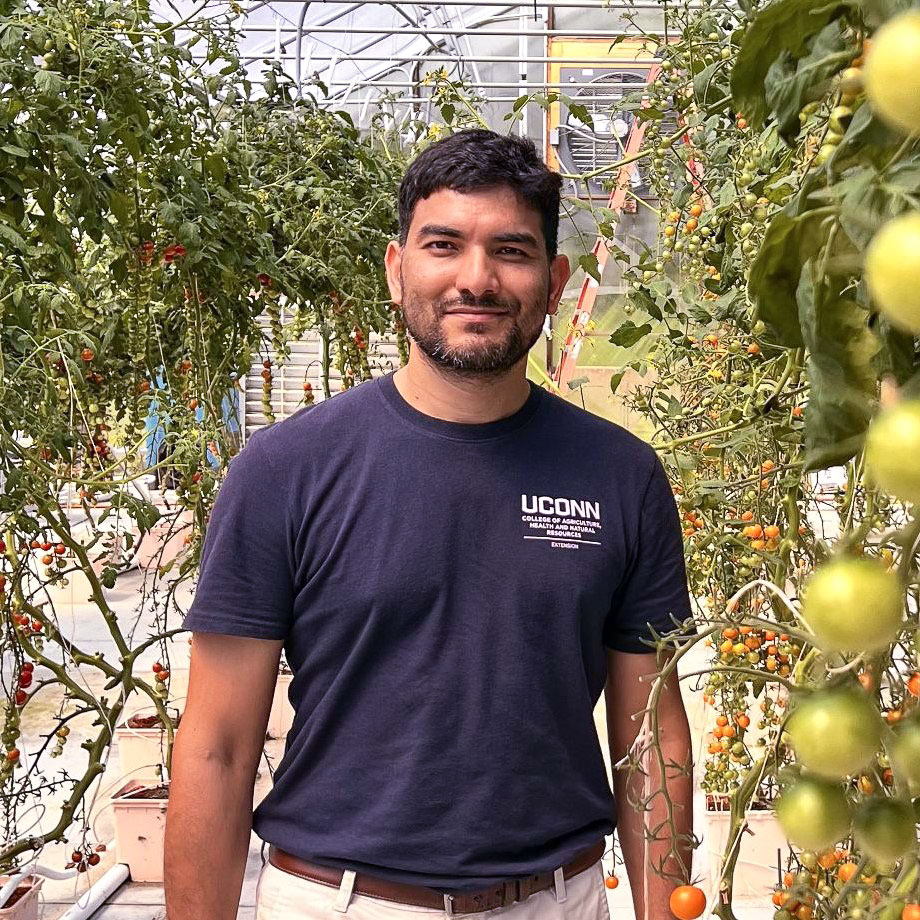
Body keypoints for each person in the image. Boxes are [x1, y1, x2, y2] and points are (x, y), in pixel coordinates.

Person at [164, 128, 694, 920]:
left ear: (553, 282)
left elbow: (652, 741)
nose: (475, 279)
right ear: (396, 267)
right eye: (443, 244)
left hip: (558, 901)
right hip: (336, 901)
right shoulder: (285, 470)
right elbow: (218, 746)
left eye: (510, 252)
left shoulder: (619, 475)